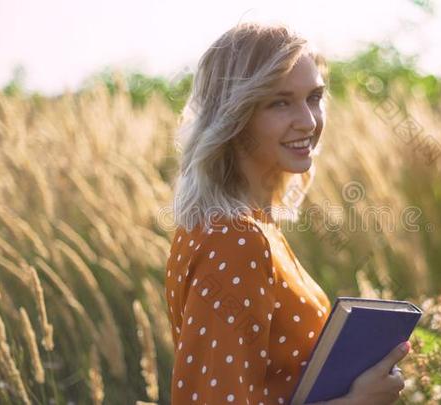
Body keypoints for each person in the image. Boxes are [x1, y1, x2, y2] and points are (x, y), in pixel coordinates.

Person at [164, 21, 411, 405]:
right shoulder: (235, 239)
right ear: (235, 116)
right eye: (280, 102)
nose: (310, 121)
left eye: (314, 97)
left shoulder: (251, 226)